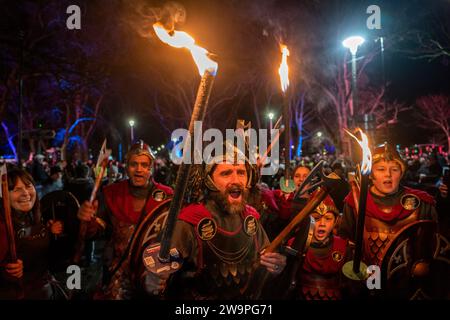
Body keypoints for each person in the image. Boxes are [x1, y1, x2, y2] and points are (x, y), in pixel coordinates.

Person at [144, 144, 287, 299]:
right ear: (209, 180)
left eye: (241, 172)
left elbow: (262, 268)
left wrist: (275, 266)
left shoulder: (250, 219)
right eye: (226, 173)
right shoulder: (189, 221)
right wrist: (152, 279)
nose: (236, 180)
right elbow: (156, 271)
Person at [339, 142, 440, 298]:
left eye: (394, 169)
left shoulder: (422, 203)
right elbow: (345, 242)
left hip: (408, 281)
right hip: (370, 276)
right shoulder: (354, 202)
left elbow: (435, 243)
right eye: (381, 169)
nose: (388, 174)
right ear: (371, 174)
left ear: (401, 173)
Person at [76, 140, 173, 299]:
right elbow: (95, 233)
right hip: (118, 273)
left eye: (144, 165)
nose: (139, 170)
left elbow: (175, 238)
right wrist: (87, 219)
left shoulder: (167, 195)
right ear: (126, 166)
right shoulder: (111, 193)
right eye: (134, 164)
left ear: (151, 167)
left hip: (153, 274)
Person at [0, 166, 64, 299]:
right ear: (4, 196)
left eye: (28, 186)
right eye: (16, 189)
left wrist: (49, 232)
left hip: (45, 290)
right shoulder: (3, 227)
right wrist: (7, 270)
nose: (25, 193)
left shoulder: (35, 217)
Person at [287, 195, 350, 300]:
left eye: (328, 218)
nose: (322, 224)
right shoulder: (294, 245)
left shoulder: (343, 247)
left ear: (335, 221)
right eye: (316, 218)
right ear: (307, 220)